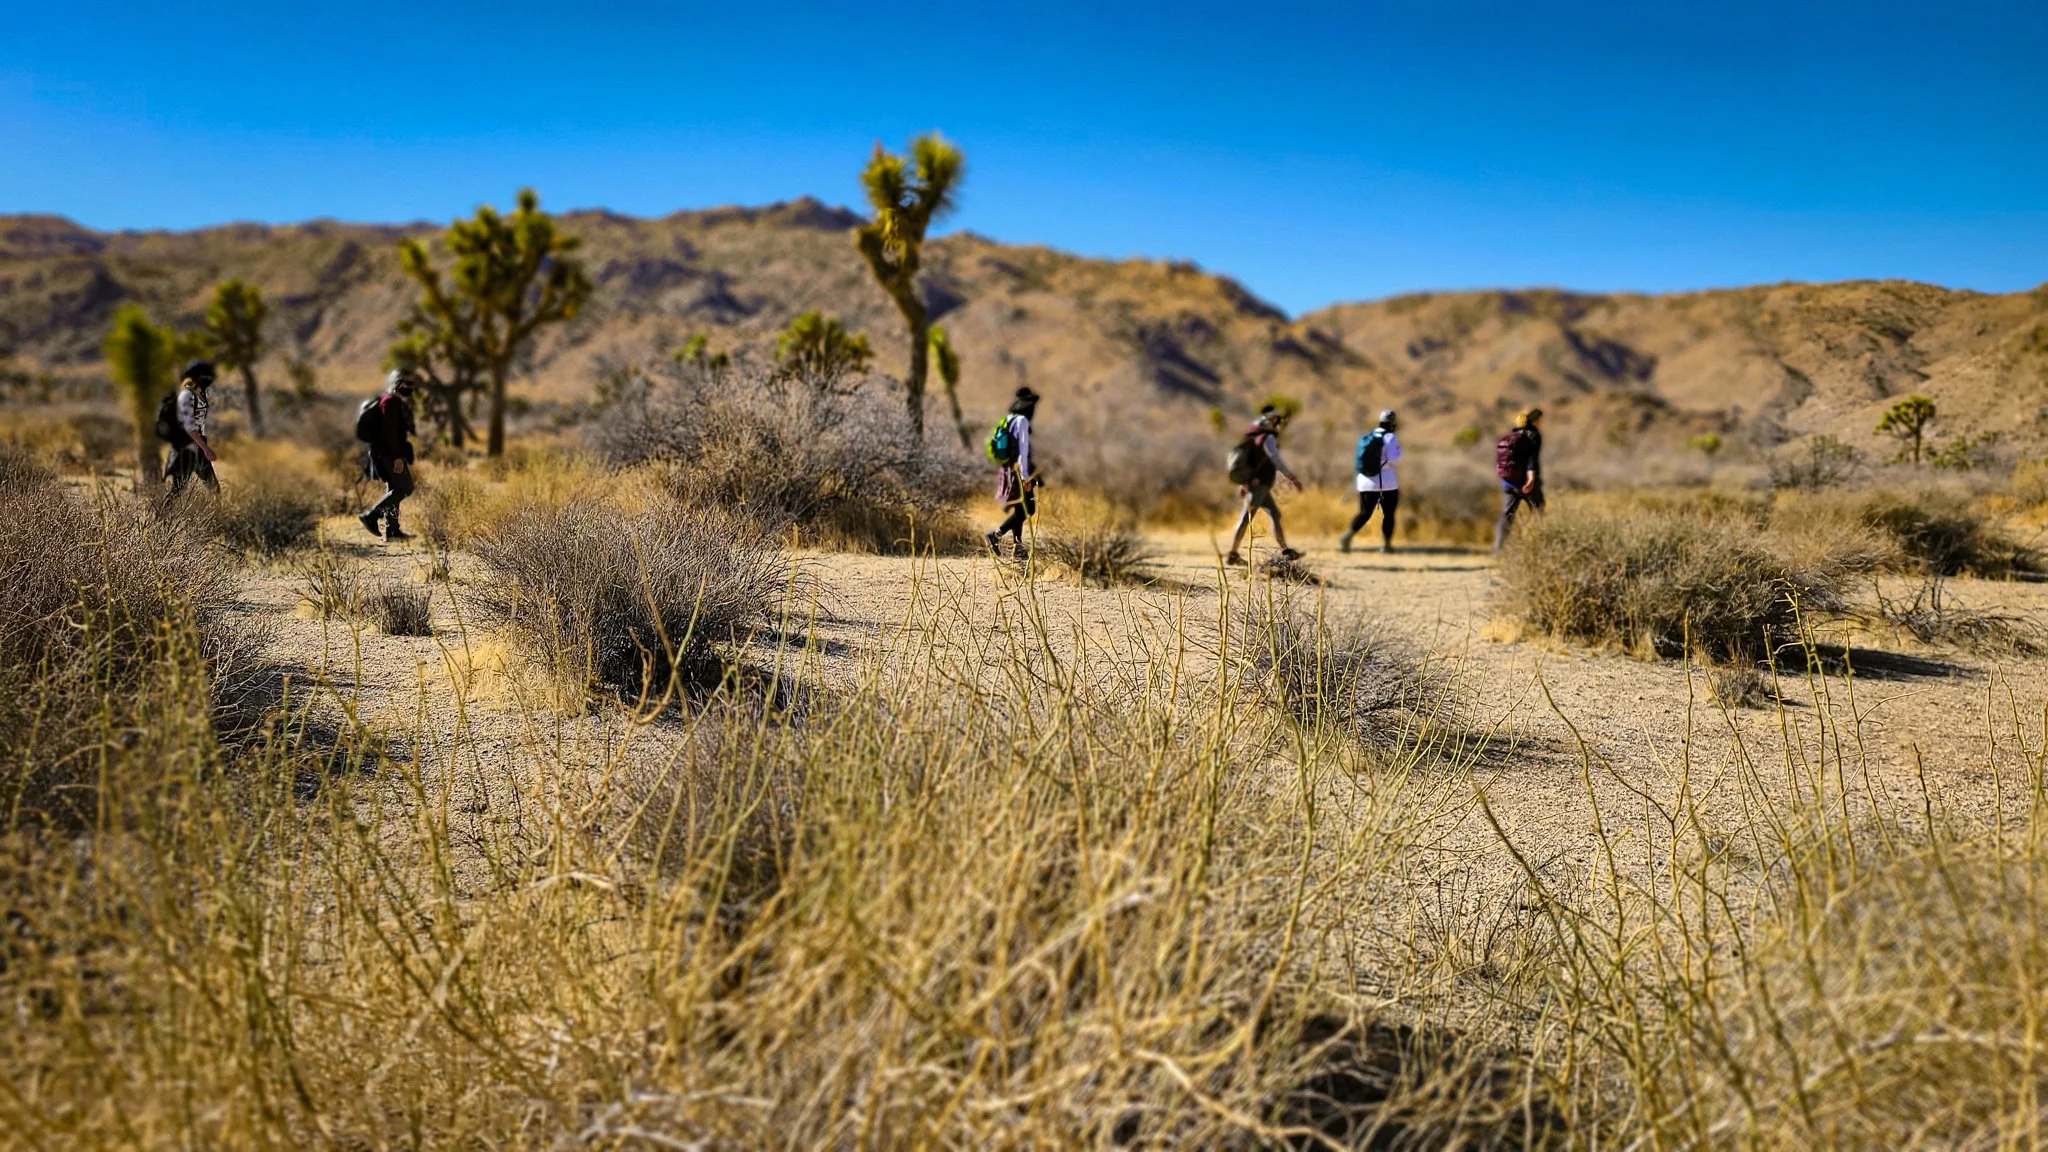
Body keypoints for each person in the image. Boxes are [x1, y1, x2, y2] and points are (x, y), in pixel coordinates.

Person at [1225, 404, 1303, 566]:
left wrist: (1244, 484)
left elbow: (1252, 462)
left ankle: (1285, 551)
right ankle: (1232, 553)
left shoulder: (1256, 437)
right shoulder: (1267, 438)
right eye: (1275, 420)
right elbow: (1275, 459)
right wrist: (1292, 477)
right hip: (1259, 486)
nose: (1278, 423)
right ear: (1270, 421)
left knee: (1274, 514)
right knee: (1245, 517)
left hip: (1260, 486)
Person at [357, 369, 420, 540]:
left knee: (394, 489)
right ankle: (370, 516)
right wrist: (396, 457)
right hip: (387, 453)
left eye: (412, 384)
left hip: (384, 452)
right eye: (406, 383)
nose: (410, 387)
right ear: (397, 383)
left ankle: (392, 532)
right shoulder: (391, 402)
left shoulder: (390, 401)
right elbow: (389, 432)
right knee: (405, 488)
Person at [984, 386, 1041, 558]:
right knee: (1028, 508)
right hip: (1018, 471)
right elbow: (1023, 451)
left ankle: (1018, 546)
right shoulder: (1022, 421)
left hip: (1008, 470)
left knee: (1019, 506)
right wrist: (1025, 477)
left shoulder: (1008, 418)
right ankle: (995, 536)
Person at [1339, 408, 1403, 554]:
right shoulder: (1390, 438)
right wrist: (1398, 450)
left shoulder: (1367, 436)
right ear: (1393, 423)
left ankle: (1346, 537)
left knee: (1364, 513)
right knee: (1389, 514)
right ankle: (1386, 545)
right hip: (1387, 481)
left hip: (1366, 481)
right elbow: (1395, 459)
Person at [162, 360, 220, 506]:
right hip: (186, 449)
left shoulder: (200, 394)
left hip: (198, 447)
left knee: (214, 489)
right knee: (177, 490)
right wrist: (206, 449)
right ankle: (160, 521)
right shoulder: (186, 396)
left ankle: (219, 521)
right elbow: (189, 427)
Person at [1493, 407, 1545, 551]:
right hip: (1527, 483)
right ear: (1535, 421)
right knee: (1537, 511)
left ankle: (1498, 550)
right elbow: (1531, 459)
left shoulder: (1513, 433)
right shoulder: (1534, 435)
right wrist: (1531, 479)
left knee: (1507, 515)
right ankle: (1538, 547)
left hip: (1508, 482)